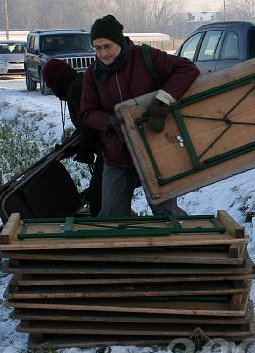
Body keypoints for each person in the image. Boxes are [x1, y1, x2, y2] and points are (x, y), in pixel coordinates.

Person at [81, 14, 200, 216]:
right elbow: (87, 112)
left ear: (119, 41)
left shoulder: (145, 57)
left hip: (154, 150)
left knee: (166, 213)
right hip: (117, 154)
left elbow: (187, 69)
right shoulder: (93, 74)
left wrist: (162, 102)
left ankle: (189, 245)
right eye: (98, 48)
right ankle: (125, 247)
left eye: (108, 46)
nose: (103, 53)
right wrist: (109, 121)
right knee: (112, 216)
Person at [42, 58, 104, 215]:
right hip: (108, 148)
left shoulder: (76, 90)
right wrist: (70, 148)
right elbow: (84, 127)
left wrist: (84, 150)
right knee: (102, 192)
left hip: (110, 149)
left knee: (98, 196)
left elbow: (90, 125)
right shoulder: (78, 83)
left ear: (56, 82)